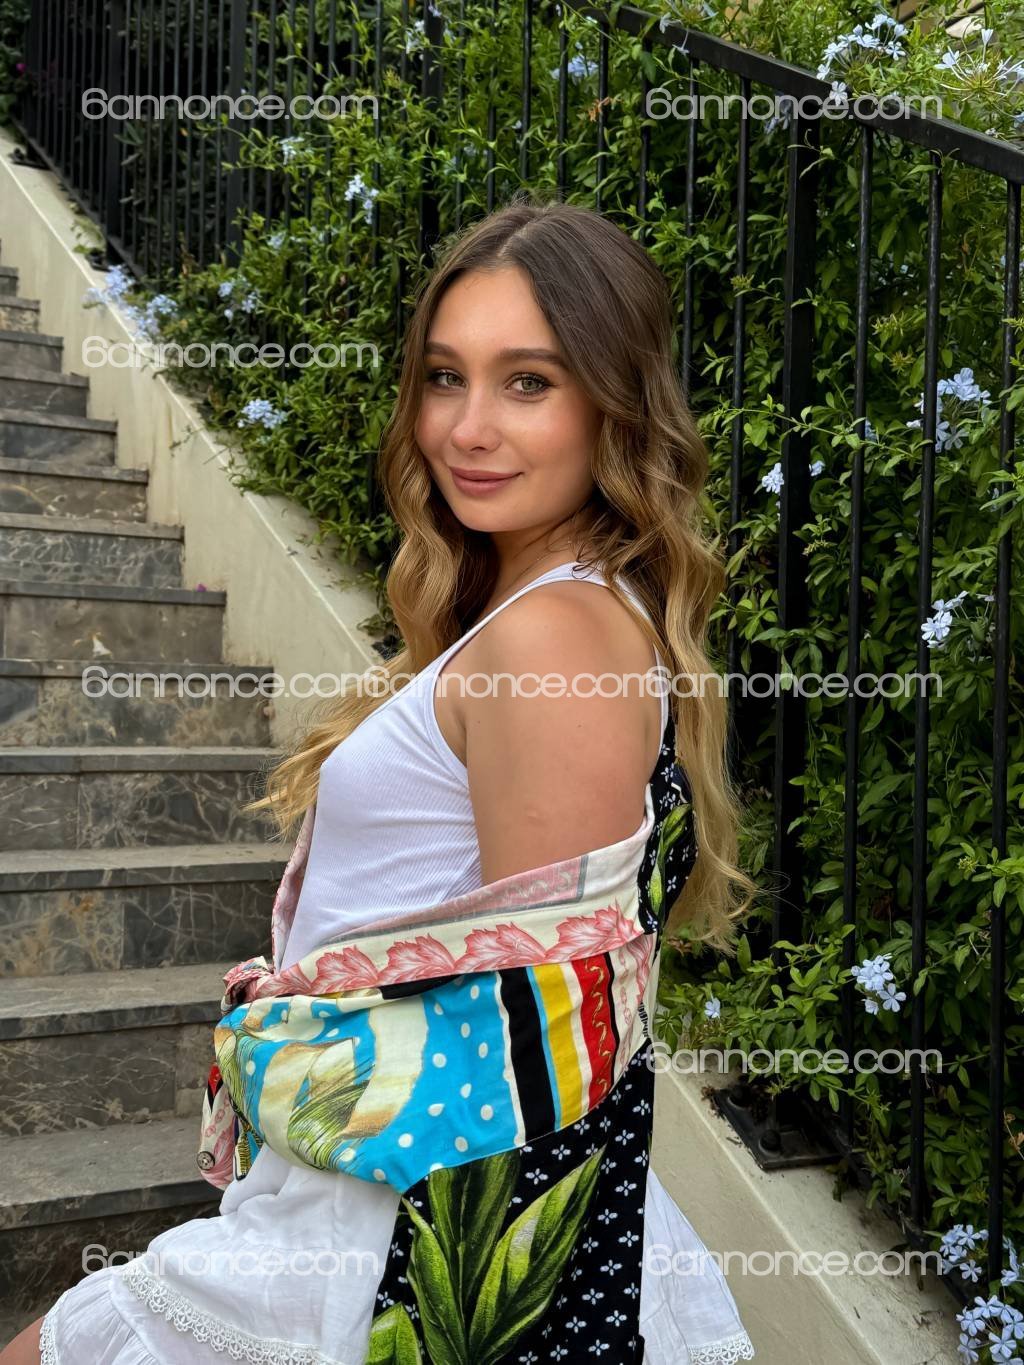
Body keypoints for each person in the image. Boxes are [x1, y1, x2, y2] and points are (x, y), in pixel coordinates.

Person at [3, 192, 756, 1365]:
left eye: (528, 382)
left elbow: (544, 1050)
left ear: (614, 404)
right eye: (445, 377)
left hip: (391, 1243)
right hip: (358, 1202)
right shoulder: (534, 618)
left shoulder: (552, 638)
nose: (467, 428)